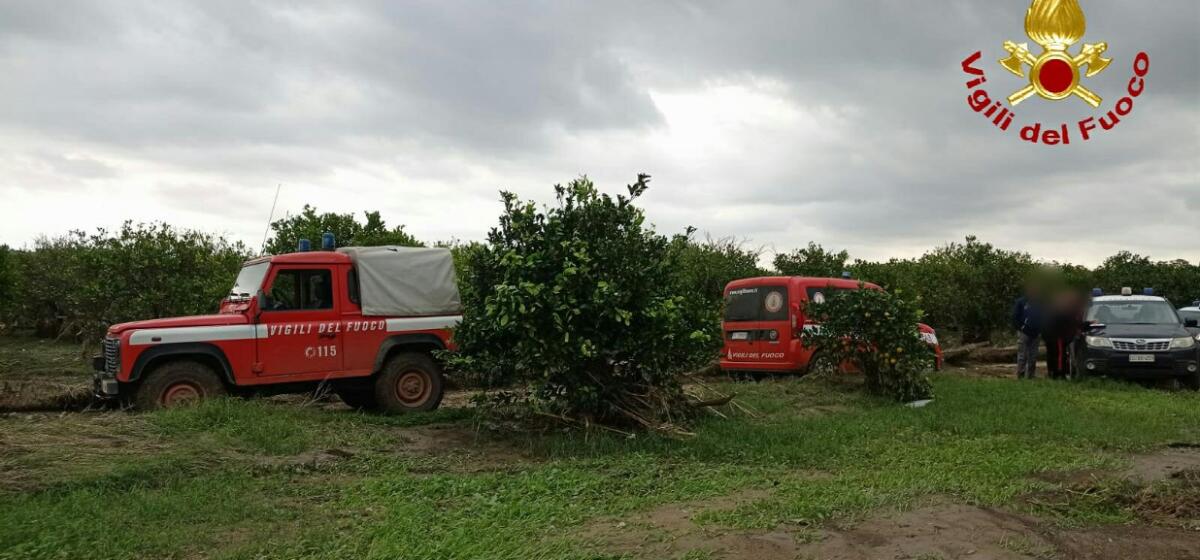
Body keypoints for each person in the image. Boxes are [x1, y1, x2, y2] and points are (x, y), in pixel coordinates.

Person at [1043, 291, 1082, 380]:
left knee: (1055, 355)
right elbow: (1073, 323)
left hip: (1053, 337)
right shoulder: (1061, 311)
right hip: (1057, 337)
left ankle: (1054, 372)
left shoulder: (1053, 310)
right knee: (1059, 355)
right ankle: (1059, 373)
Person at [1012, 286, 1042, 379]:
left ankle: (1031, 375)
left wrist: (1041, 328)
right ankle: (1020, 374)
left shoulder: (1040, 302)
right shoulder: (1021, 302)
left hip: (1036, 332)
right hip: (1024, 332)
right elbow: (1015, 316)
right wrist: (1021, 327)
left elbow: (1044, 316)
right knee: (1022, 355)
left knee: (1033, 356)